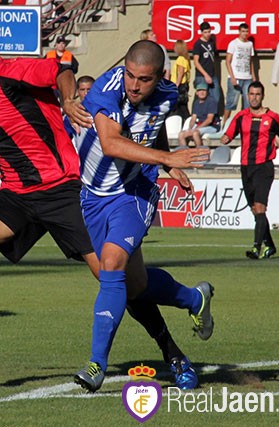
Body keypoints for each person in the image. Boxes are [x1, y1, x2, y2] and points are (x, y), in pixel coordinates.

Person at [0, 27, 209, 391]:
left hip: (65, 188)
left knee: (121, 281)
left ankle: (175, 355)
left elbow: (61, 67)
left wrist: (69, 99)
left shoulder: (9, 73)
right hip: (18, 194)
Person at [71, 40, 214, 393]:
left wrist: (165, 162)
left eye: (144, 79)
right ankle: (194, 299)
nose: (134, 86)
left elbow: (153, 127)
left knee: (111, 263)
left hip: (134, 193)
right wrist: (168, 159)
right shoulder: (106, 90)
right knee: (135, 287)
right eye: (130, 76)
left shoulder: (167, 93)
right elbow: (111, 143)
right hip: (91, 197)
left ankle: (95, 364)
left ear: (160, 77)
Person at [220, 81, 279, 259]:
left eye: (257, 94)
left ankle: (256, 247)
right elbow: (228, 135)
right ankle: (270, 245)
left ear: (263, 96)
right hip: (246, 167)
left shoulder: (272, 118)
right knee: (255, 209)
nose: (254, 98)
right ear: (247, 96)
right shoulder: (241, 117)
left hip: (264, 167)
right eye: (251, 94)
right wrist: (224, 138)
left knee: (260, 207)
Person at [222, 23, 255, 128]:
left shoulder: (249, 44)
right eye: (243, 31)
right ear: (239, 32)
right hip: (236, 76)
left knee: (247, 103)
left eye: (246, 31)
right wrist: (232, 77)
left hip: (247, 77)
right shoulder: (233, 43)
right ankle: (224, 125)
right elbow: (227, 61)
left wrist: (253, 75)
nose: (245, 34)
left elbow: (250, 61)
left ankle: (245, 125)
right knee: (231, 102)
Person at [178, 82, 220, 147]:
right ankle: (184, 153)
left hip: (212, 126)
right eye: (199, 90)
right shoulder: (196, 102)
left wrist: (196, 129)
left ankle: (199, 153)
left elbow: (209, 120)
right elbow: (193, 118)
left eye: (204, 90)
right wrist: (190, 129)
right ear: (196, 93)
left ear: (207, 92)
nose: (202, 92)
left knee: (195, 133)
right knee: (181, 134)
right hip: (199, 126)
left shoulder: (212, 101)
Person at [193, 21, 221, 106]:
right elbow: (196, 62)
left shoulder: (212, 42)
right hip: (201, 75)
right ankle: (199, 116)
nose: (207, 34)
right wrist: (205, 75)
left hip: (212, 74)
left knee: (216, 96)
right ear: (201, 32)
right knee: (201, 98)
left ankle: (214, 117)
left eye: (209, 32)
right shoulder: (198, 44)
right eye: (205, 32)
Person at [170, 39, 191, 121]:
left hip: (179, 86)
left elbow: (180, 73)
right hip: (184, 85)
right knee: (182, 106)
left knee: (179, 106)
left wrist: (176, 85)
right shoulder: (186, 59)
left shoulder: (180, 59)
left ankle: (185, 120)